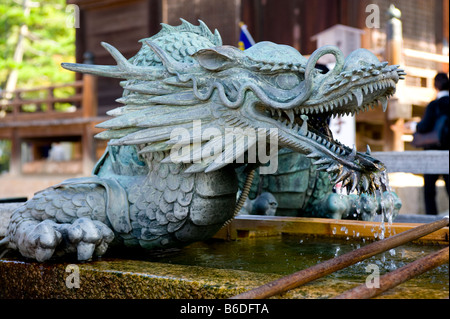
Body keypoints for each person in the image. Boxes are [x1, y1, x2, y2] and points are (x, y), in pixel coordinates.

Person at [415, 73, 449, 215]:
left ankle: (431, 222)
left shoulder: (434, 105)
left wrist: (415, 126)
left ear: (435, 86)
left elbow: (424, 126)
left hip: (432, 151)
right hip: (448, 153)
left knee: (429, 191)